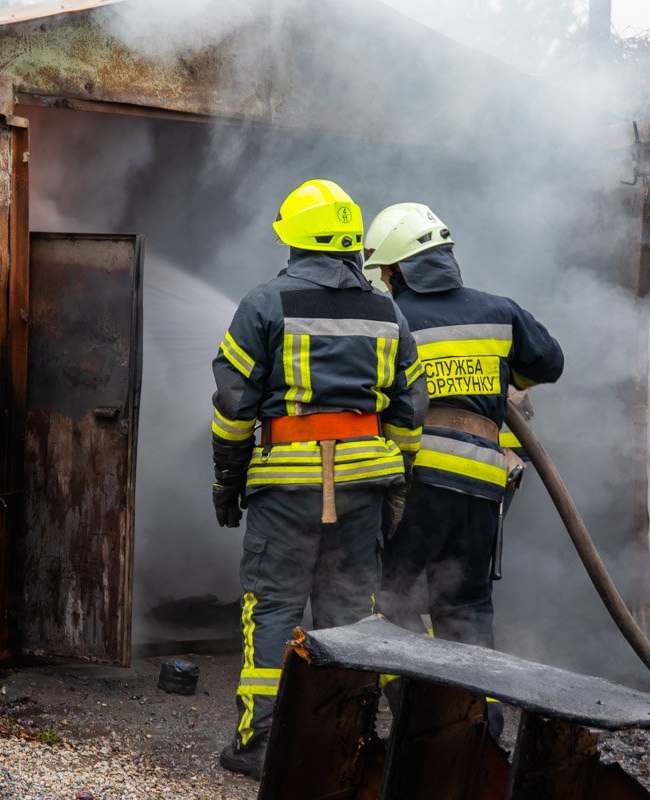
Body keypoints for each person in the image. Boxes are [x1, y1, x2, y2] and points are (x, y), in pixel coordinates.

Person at [211, 180, 427, 778]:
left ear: (295, 241)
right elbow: (410, 410)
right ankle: (343, 741)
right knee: (350, 613)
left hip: (286, 489)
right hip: (363, 485)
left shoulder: (263, 304)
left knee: (274, 605)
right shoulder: (388, 310)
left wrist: (229, 481)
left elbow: (233, 409)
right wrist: (396, 484)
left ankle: (258, 747)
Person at [366, 202, 564, 732]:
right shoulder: (499, 312)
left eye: (383, 270)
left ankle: (419, 727)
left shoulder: (391, 318)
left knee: (390, 605)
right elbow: (549, 362)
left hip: (415, 487)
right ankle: (483, 733)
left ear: (396, 269)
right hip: (480, 490)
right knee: (467, 609)